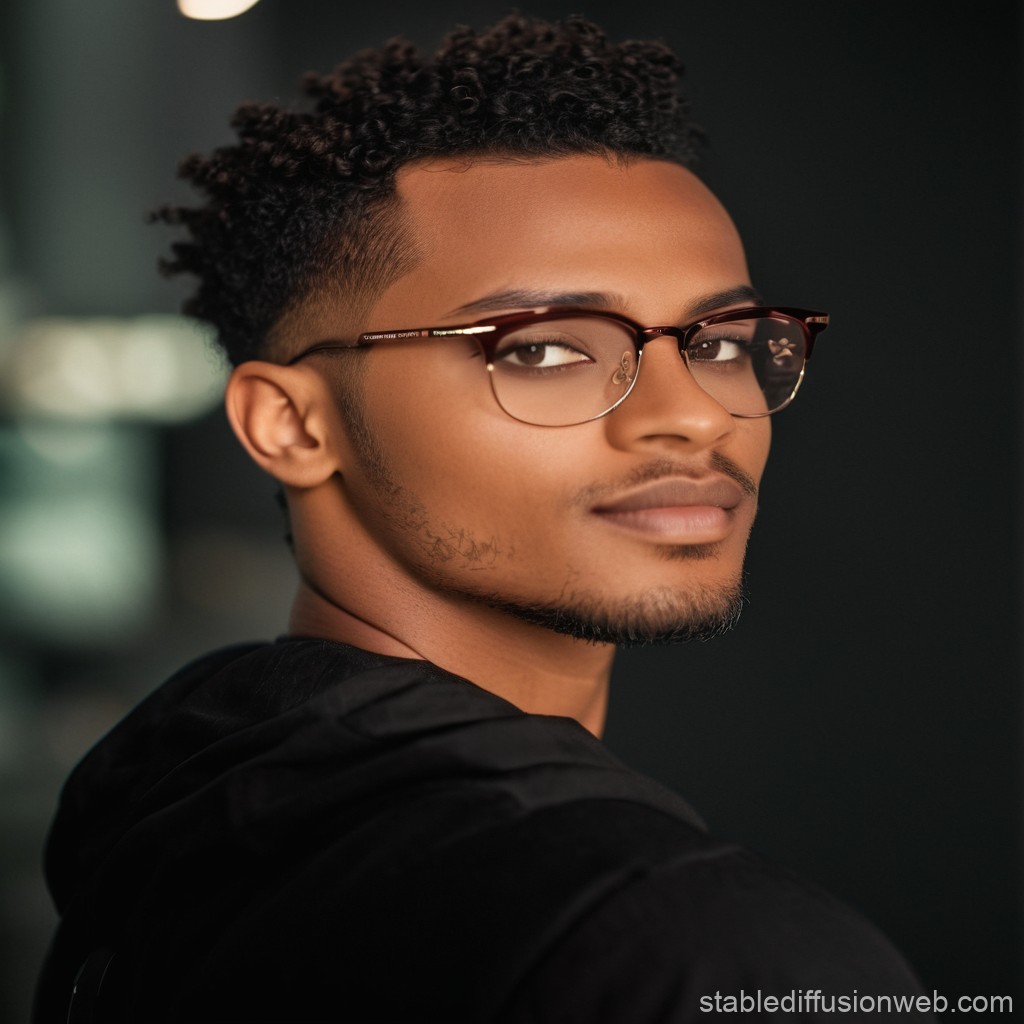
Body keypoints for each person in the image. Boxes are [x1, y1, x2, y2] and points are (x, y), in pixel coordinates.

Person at [35, 15, 934, 1022]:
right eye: (543, 348)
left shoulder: (183, 815)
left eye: (721, 341)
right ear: (291, 423)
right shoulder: (697, 946)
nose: (693, 414)